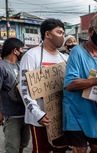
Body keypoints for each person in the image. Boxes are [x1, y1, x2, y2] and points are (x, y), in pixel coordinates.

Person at [63, 13, 97, 153]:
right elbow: (70, 84)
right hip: (75, 112)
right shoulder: (77, 52)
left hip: (95, 114)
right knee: (79, 150)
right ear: (90, 31)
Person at [19, 18, 68, 153]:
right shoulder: (31, 56)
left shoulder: (65, 58)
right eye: (59, 32)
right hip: (40, 118)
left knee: (61, 149)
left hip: (60, 116)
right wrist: (37, 114)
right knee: (42, 150)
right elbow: (24, 88)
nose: (62, 36)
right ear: (47, 34)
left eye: (64, 33)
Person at [0, 38, 30, 153]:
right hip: (11, 115)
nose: (23, 51)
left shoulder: (19, 65)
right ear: (15, 50)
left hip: (25, 113)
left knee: (23, 144)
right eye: (21, 49)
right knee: (12, 147)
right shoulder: (2, 66)